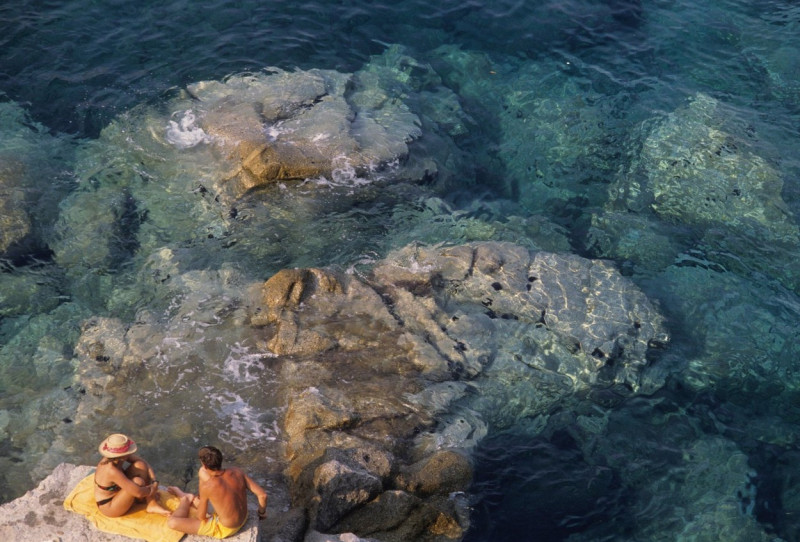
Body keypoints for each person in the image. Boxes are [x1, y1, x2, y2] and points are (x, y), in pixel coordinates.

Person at [167, 445, 268, 539]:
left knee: (172, 522)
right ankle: (189, 498)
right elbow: (262, 495)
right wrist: (261, 513)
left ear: (204, 465)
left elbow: (201, 517)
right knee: (201, 496)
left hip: (226, 528)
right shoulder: (237, 471)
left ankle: (185, 499)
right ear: (221, 459)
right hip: (244, 517)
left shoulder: (208, 486)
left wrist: (203, 494)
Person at [93, 433, 171, 517]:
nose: (130, 454)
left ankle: (151, 503)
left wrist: (154, 480)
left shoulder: (117, 458)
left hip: (119, 492)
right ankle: (151, 502)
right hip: (110, 506)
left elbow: (144, 463)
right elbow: (138, 492)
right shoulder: (111, 470)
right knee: (138, 482)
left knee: (140, 465)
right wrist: (153, 489)